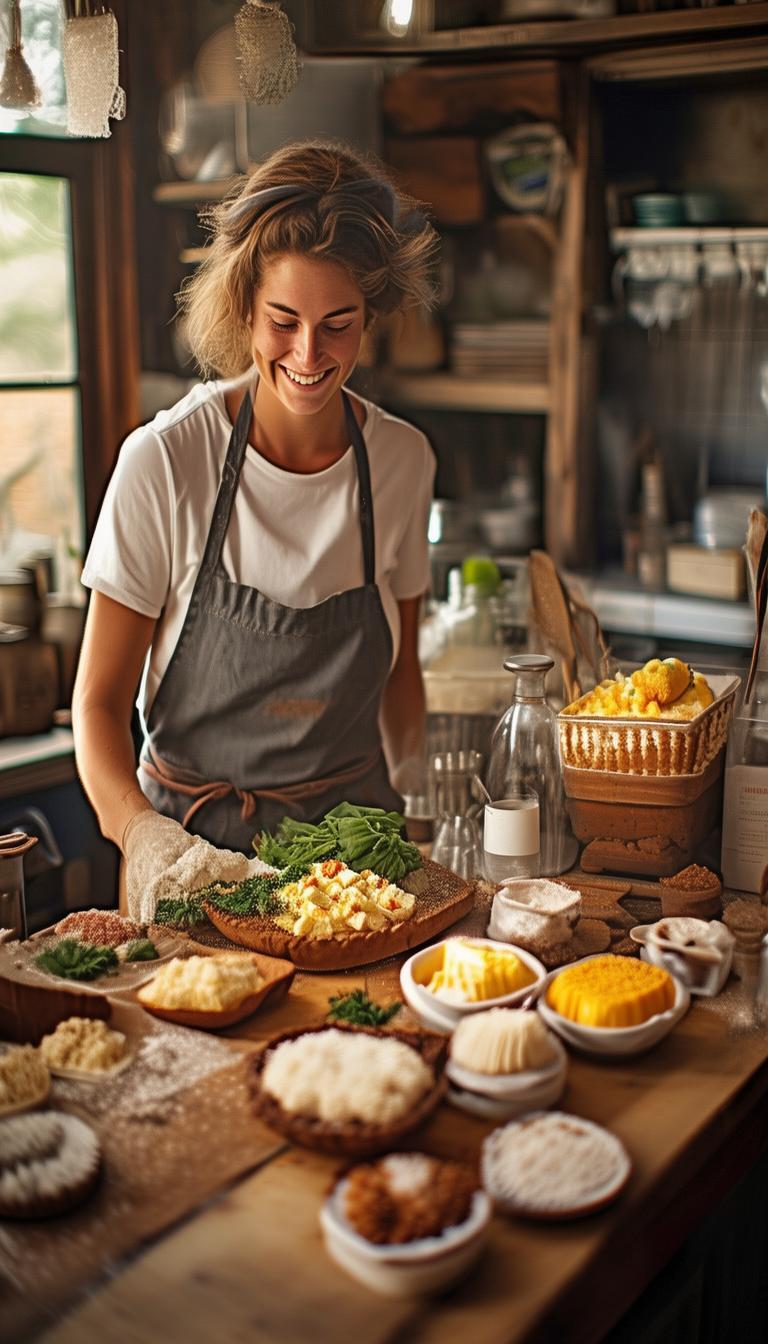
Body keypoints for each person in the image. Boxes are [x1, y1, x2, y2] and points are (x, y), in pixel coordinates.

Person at [72, 139, 439, 911]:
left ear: (372, 315)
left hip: (354, 871)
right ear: (244, 308)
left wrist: (421, 794)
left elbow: (402, 672)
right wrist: (143, 838)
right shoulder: (166, 463)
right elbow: (99, 706)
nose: (309, 354)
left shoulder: (402, 462)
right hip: (188, 862)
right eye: (284, 320)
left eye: (339, 324)